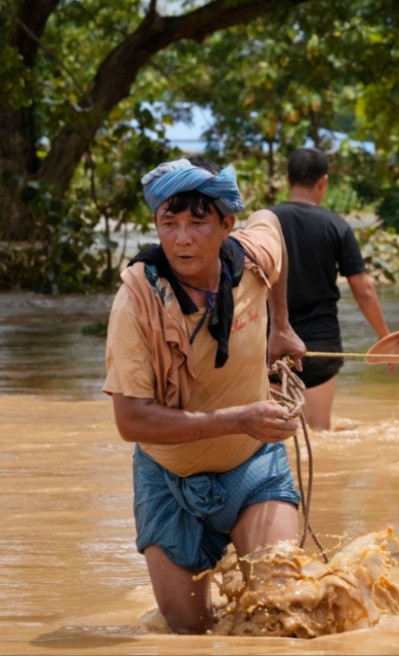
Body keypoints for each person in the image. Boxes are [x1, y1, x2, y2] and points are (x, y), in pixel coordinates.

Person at [104, 157, 307, 633]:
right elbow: (130, 421)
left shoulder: (252, 258)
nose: (181, 238)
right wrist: (239, 417)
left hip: (253, 465)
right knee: (188, 631)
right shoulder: (137, 301)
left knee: (282, 612)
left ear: (226, 224)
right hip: (169, 476)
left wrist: (282, 325)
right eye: (168, 223)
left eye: (197, 223)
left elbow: (272, 222)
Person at [268, 147, 391, 431]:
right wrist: (385, 339)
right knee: (321, 432)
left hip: (272, 342)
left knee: (274, 435)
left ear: (288, 179)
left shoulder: (265, 222)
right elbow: (364, 291)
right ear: (323, 182)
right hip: (319, 344)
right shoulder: (336, 225)